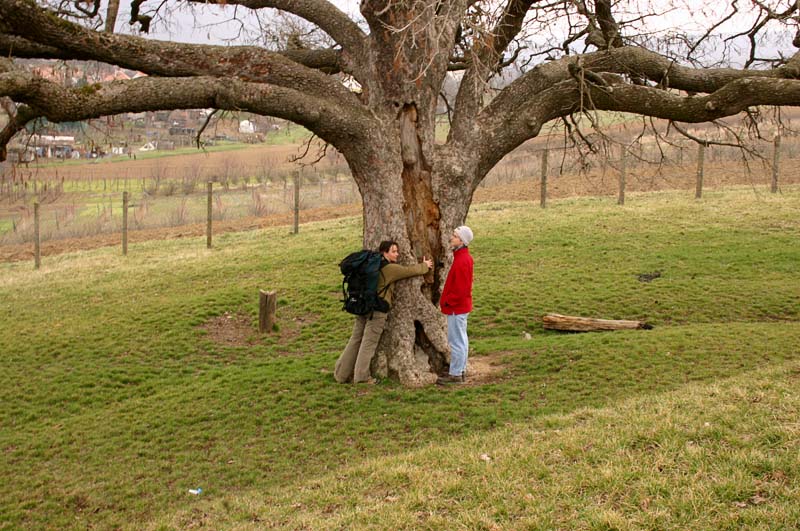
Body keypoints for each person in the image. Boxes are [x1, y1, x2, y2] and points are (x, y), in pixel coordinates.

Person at [334, 240, 433, 384]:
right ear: (384, 252)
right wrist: (425, 266)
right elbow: (409, 271)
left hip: (362, 306)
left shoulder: (370, 265)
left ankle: (341, 374)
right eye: (393, 251)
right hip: (377, 311)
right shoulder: (390, 269)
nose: (397, 254)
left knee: (355, 339)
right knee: (368, 343)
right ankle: (361, 377)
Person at [437, 225, 474, 385]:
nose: (451, 237)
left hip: (456, 307)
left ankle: (456, 374)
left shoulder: (462, 261)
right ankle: (460, 370)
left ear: (461, 241)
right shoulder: (462, 258)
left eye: (455, 236)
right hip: (459, 306)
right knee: (461, 339)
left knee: (456, 341)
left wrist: (447, 302)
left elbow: (461, 288)